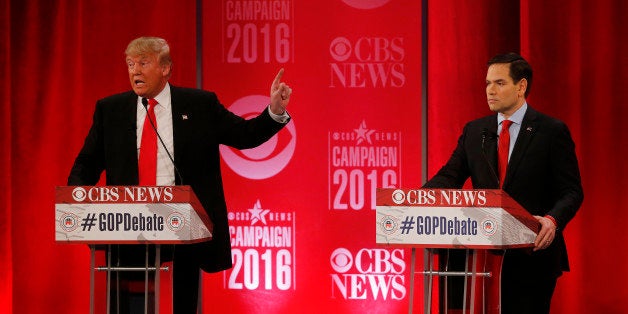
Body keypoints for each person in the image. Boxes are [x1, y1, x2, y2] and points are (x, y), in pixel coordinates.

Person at [68, 36, 292, 313]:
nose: (135, 71)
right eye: (130, 64)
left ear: (165, 68)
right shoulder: (110, 110)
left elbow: (245, 135)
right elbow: (87, 164)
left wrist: (275, 111)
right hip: (126, 231)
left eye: (143, 63)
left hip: (182, 233)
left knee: (179, 305)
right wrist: (79, 202)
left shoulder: (200, 105)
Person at [423, 53, 583, 313]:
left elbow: (572, 191)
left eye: (499, 83)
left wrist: (552, 221)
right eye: (487, 83)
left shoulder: (551, 131)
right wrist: (417, 201)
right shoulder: (475, 131)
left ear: (521, 87)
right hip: (481, 257)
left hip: (531, 255)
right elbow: (449, 176)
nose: (490, 91)